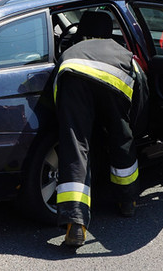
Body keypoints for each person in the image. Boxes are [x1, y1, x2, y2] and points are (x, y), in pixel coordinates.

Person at [53, 36, 148, 247]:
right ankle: (127, 201)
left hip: (72, 76)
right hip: (114, 85)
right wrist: (132, 128)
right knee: (121, 137)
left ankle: (75, 222)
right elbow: (140, 95)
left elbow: (56, 95)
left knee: (75, 144)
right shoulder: (123, 52)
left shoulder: (72, 50)